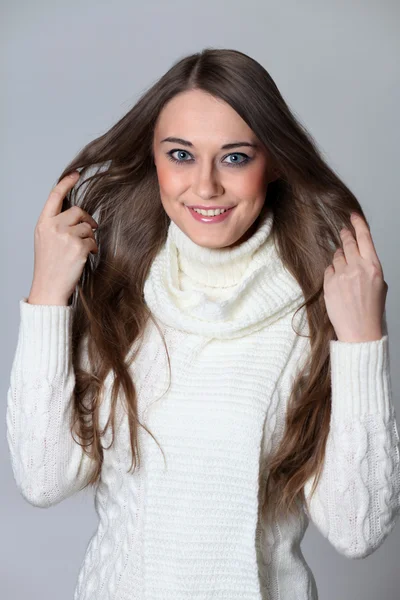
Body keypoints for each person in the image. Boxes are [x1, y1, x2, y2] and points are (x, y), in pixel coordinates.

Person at [6, 47, 400, 600]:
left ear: (276, 160)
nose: (206, 186)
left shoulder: (318, 306)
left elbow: (358, 530)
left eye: (235, 157)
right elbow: (44, 479)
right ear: (154, 159)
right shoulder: (120, 291)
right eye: (182, 155)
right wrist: (47, 296)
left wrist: (361, 342)